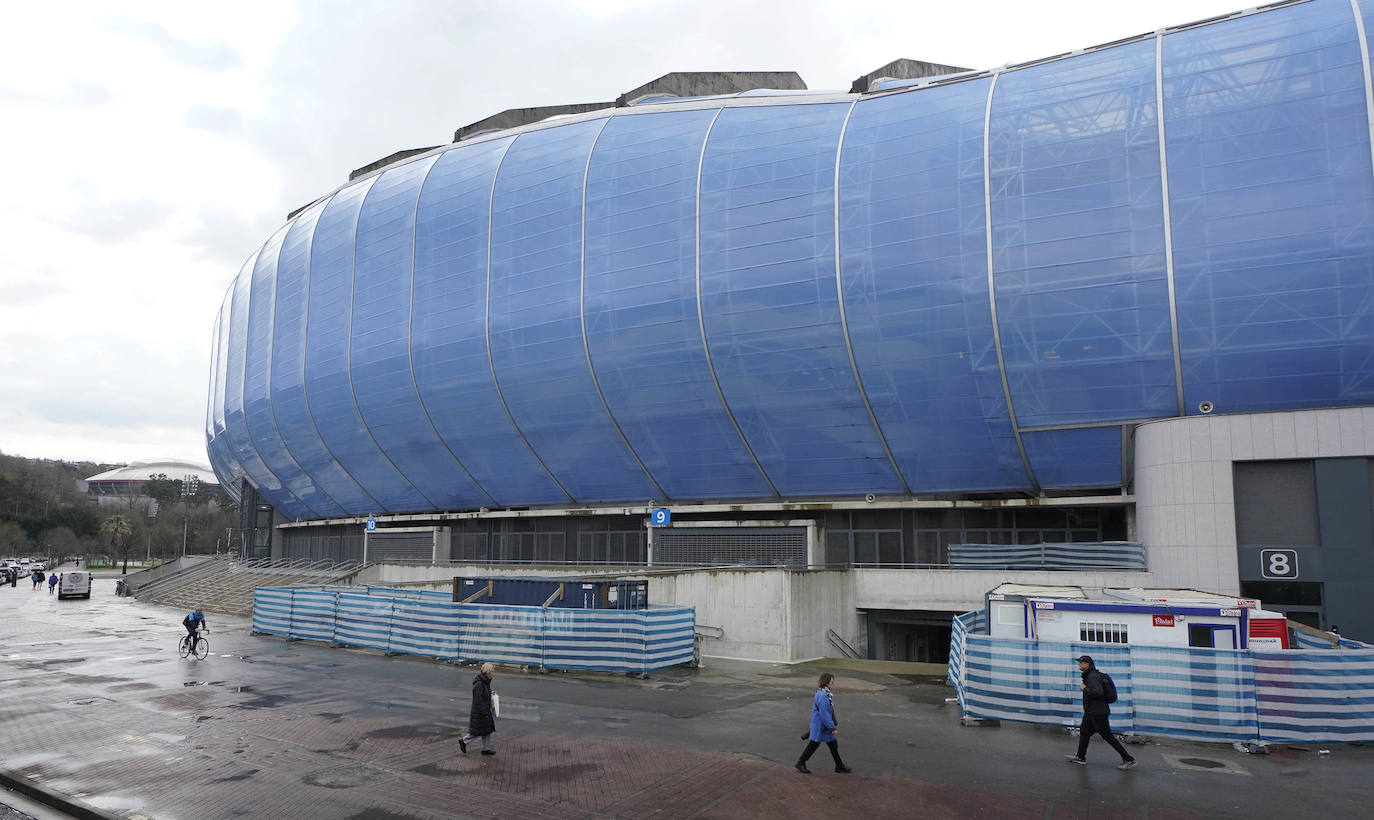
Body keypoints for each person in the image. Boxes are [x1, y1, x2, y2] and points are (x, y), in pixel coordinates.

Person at [1066, 655, 1136, 770]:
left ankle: (1129, 759)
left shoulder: (1092, 677)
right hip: (1091, 712)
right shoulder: (1090, 675)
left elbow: (1098, 693)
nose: (1079, 665)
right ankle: (1080, 757)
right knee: (1084, 732)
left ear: (1087, 664)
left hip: (1098, 713)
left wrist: (1085, 689)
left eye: (1081, 663)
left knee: (1107, 736)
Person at [795, 672, 852, 774]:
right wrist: (832, 728)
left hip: (823, 726)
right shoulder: (823, 696)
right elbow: (824, 714)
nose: (832, 684)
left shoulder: (824, 693)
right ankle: (800, 762)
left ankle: (839, 766)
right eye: (831, 682)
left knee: (833, 745)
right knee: (814, 744)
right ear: (826, 683)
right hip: (821, 726)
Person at [460, 662, 497, 756]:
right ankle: (463, 741)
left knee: (487, 730)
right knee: (476, 731)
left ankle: (486, 749)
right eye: (492, 671)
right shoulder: (480, 684)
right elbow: (478, 700)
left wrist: (491, 693)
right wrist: (485, 712)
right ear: (488, 672)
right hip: (480, 712)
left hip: (484, 710)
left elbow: (484, 694)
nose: (493, 673)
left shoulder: (485, 681)